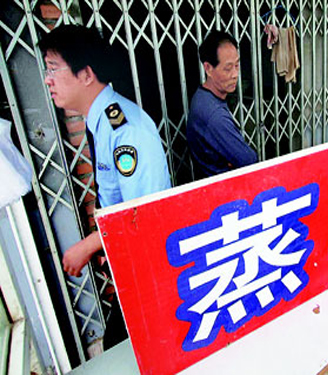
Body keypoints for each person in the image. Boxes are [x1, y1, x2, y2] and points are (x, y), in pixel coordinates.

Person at [39, 25, 171, 348]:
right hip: (130, 268)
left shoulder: (126, 131)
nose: (47, 79)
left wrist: (88, 246)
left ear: (86, 74)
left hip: (148, 274)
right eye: (46, 69)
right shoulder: (104, 122)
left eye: (54, 69)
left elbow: (143, 213)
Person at [187, 30, 258, 179]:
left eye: (237, 65)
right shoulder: (213, 115)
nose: (235, 74)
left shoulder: (201, 96)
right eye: (227, 68)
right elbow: (249, 161)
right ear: (208, 68)